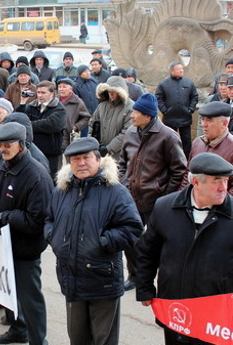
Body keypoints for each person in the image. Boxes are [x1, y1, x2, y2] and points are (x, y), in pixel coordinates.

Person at [46, 137, 143, 345]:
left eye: (86, 158)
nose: (81, 163)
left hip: (102, 280)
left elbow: (133, 228)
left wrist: (102, 242)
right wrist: (55, 239)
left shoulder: (116, 192)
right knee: (77, 337)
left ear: (98, 160)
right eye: (75, 159)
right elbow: (49, 219)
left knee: (104, 339)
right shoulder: (61, 190)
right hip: (71, 277)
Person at [136, 152, 233, 345]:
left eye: (226, 180)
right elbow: (148, 251)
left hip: (217, 313)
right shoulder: (165, 208)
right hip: (175, 307)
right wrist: (144, 287)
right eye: (216, 181)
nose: (224, 187)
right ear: (196, 182)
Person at [0, 122, 53, 345]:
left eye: (7, 144)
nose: (2, 149)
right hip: (3, 244)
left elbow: (36, 220)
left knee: (30, 299)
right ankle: (17, 328)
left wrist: (6, 217)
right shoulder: (1, 167)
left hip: (26, 248)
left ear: (21, 145)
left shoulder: (37, 176)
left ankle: (38, 340)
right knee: (7, 291)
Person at [118, 93, 187, 291]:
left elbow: (179, 170)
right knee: (130, 238)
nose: (132, 116)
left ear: (148, 116)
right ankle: (135, 275)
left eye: (136, 112)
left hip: (155, 200)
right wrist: (123, 184)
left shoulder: (168, 136)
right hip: (131, 197)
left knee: (155, 242)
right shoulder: (131, 132)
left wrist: (165, 196)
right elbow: (122, 162)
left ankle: (158, 278)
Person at [17, 80, 67, 180]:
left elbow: (52, 125)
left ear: (52, 93)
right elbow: (18, 118)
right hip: (33, 150)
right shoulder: (31, 106)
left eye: (43, 92)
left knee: (52, 180)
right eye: (38, 92)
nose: (40, 95)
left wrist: (29, 124)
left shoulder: (59, 109)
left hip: (51, 152)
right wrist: (22, 102)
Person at [186, 101, 233, 194]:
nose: (203, 124)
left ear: (224, 123)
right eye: (203, 119)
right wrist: (182, 199)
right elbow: (188, 174)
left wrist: (220, 205)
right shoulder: (197, 143)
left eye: (209, 120)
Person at [155, 62, 198, 158]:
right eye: (179, 69)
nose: (181, 70)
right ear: (172, 71)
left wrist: (190, 109)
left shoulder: (189, 83)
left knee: (186, 142)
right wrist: (165, 110)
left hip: (185, 118)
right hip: (169, 118)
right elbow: (158, 98)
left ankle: (187, 162)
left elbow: (194, 97)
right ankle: (169, 160)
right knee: (168, 141)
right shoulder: (163, 84)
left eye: (182, 68)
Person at [89, 76, 134, 160]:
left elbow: (127, 132)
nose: (111, 94)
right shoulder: (102, 106)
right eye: (109, 91)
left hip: (120, 155)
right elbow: (92, 125)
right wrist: (93, 143)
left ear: (121, 92)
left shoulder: (130, 108)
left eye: (114, 92)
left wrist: (109, 148)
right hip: (99, 152)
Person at [56, 78, 91, 150]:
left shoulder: (77, 102)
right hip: (56, 136)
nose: (61, 89)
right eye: (59, 87)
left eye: (64, 87)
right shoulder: (54, 100)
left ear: (70, 88)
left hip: (70, 136)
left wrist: (76, 126)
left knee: (71, 159)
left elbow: (86, 117)